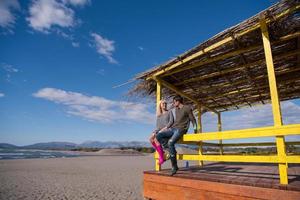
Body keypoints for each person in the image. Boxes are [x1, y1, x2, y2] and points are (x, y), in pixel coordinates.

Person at [156, 95, 197, 176]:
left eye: (174, 102)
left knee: (171, 142)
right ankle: (170, 150)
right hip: (174, 129)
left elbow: (193, 119)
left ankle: (174, 167)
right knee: (159, 136)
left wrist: (196, 130)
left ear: (178, 102)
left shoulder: (187, 108)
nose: (173, 104)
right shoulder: (176, 109)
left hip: (181, 129)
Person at [149, 99, 174, 165]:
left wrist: (164, 128)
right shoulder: (159, 116)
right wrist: (154, 132)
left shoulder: (169, 112)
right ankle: (162, 153)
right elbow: (158, 127)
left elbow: (171, 122)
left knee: (156, 138)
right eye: (163, 103)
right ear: (160, 105)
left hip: (169, 131)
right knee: (151, 139)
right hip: (161, 132)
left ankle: (161, 158)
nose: (165, 104)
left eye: (165, 103)